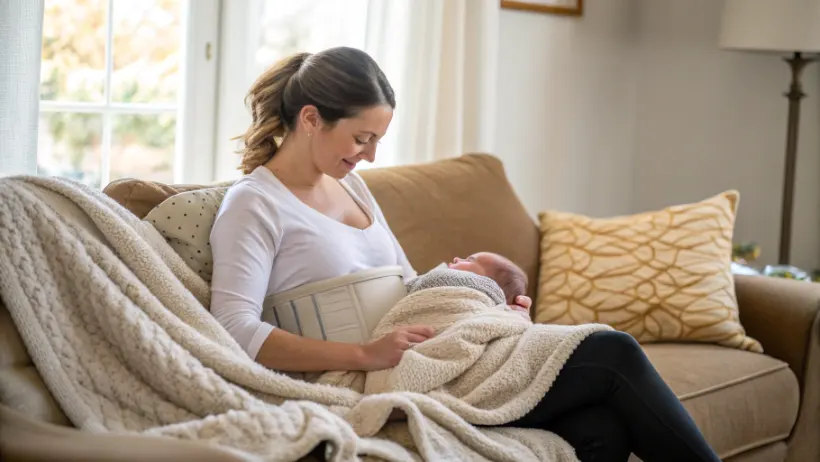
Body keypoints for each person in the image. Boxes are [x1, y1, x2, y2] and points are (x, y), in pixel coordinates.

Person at [209, 46, 722, 462]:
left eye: (377, 140)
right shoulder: (255, 204)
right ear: (311, 118)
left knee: (600, 432)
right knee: (612, 352)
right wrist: (363, 355)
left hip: (429, 359)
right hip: (361, 379)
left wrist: (488, 310)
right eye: (361, 138)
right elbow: (233, 330)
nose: (370, 155)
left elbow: (410, 286)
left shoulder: (354, 188)